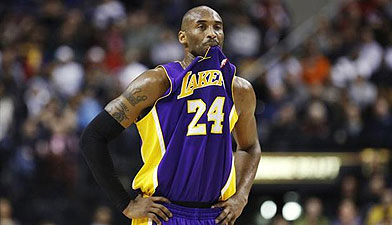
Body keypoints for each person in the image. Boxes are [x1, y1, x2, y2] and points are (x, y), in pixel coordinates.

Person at [80, 5, 261, 225]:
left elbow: (250, 147)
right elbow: (93, 137)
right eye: (201, 27)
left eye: (218, 27)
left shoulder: (239, 89)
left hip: (216, 216)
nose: (212, 33)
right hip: (163, 214)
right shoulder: (157, 82)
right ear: (183, 38)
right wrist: (125, 204)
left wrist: (241, 196)